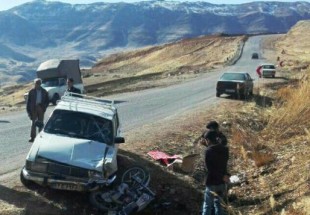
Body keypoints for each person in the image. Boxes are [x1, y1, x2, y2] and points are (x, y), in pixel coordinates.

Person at [201, 130, 230, 215]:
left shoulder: (208, 151)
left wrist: (221, 176)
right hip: (222, 181)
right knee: (220, 205)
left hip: (212, 182)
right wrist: (224, 176)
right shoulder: (225, 149)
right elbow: (224, 164)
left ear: (208, 140)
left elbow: (210, 169)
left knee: (207, 206)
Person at [26, 78, 49, 142]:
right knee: (33, 123)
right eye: (36, 83)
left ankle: (41, 136)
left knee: (40, 123)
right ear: (34, 84)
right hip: (33, 108)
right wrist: (29, 112)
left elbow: (47, 101)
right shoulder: (31, 92)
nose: (37, 85)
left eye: (39, 83)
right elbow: (28, 102)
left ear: (40, 84)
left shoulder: (44, 91)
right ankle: (32, 137)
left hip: (41, 108)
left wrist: (44, 107)